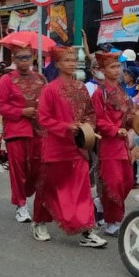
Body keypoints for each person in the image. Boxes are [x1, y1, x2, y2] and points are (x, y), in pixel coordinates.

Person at [32, 46, 107, 247]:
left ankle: (87, 231)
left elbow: (90, 113)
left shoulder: (81, 88)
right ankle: (39, 221)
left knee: (82, 191)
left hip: (78, 149)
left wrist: (87, 127)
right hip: (55, 148)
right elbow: (43, 118)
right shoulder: (49, 90)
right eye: (67, 60)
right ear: (57, 64)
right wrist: (67, 127)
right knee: (48, 188)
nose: (72, 63)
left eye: (74, 60)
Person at [0, 44, 46, 224]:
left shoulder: (40, 78)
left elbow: (49, 102)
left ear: (32, 58)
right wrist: (21, 112)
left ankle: (29, 195)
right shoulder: (6, 80)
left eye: (27, 57)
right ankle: (21, 204)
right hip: (16, 130)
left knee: (37, 168)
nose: (24, 61)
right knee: (18, 170)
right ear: (14, 60)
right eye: (20, 58)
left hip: (39, 131)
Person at [92, 51, 135, 237]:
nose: (117, 70)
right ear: (102, 70)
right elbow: (97, 120)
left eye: (118, 66)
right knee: (113, 183)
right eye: (112, 67)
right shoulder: (99, 93)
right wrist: (114, 129)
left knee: (127, 182)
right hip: (108, 144)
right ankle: (112, 222)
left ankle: (100, 203)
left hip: (123, 144)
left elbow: (130, 115)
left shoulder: (121, 91)